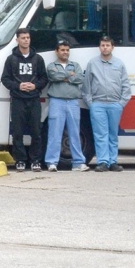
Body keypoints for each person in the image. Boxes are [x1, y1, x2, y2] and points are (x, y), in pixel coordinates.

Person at [1, 28, 49, 171]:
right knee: (18, 131)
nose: (26, 40)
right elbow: (5, 79)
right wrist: (18, 86)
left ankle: (35, 160)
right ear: (17, 40)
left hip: (34, 99)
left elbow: (44, 78)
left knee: (36, 131)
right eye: (23, 38)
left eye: (28, 37)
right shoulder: (11, 59)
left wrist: (34, 85)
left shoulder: (38, 59)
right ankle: (20, 160)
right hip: (17, 99)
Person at [83, 36, 131, 172]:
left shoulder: (119, 64)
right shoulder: (92, 63)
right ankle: (103, 162)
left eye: (107, 45)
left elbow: (126, 86)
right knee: (100, 134)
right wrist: (91, 104)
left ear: (112, 47)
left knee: (112, 134)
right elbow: (86, 87)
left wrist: (121, 103)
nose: (105, 48)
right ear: (99, 47)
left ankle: (113, 162)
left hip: (115, 104)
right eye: (103, 45)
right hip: (98, 104)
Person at [44, 41, 88, 172]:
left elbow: (80, 78)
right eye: (62, 50)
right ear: (57, 51)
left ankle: (78, 163)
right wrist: (70, 75)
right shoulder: (52, 66)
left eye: (67, 50)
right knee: (54, 133)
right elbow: (54, 76)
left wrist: (64, 77)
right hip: (57, 101)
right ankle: (52, 162)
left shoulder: (76, 65)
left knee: (75, 133)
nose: (65, 52)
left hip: (73, 102)